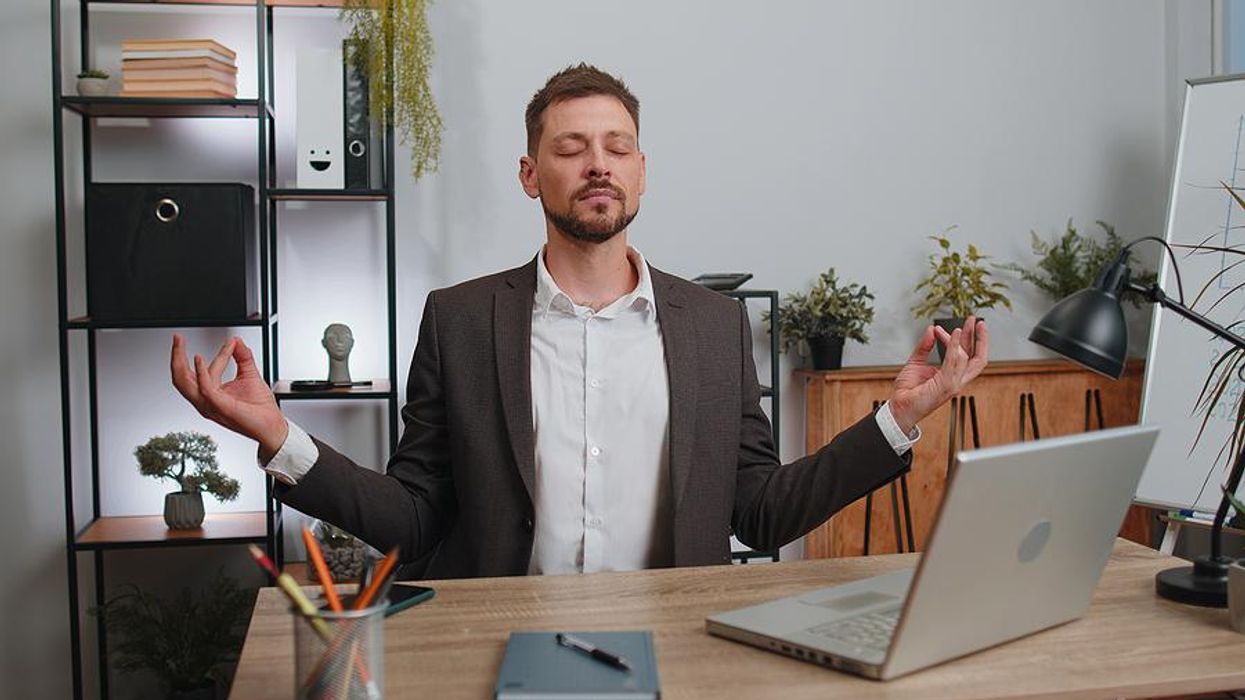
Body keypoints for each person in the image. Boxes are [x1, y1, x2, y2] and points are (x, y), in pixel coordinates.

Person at [170, 64, 988, 579]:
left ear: (640, 170)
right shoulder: (457, 320)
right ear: (531, 174)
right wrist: (279, 438)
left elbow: (759, 511)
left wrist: (899, 418)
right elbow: (416, 521)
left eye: (616, 146)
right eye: (569, 147)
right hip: (499, 643)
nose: (596, 162)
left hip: (672, 649)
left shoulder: (710, 325)